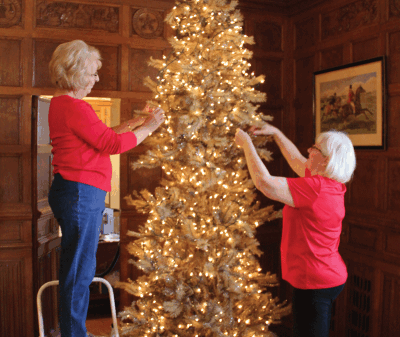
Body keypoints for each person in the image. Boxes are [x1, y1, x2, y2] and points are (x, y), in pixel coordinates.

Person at [47, 39, 165, 337]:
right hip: (79, 193)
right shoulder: (76, 107)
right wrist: (149, 129)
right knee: (79, 271)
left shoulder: (64, 105)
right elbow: (111, 144)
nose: (95, 79)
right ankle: (74, 334)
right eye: (92, 73)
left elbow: (101, 136)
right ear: (74, 72)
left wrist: (136, 122)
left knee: (79, 268)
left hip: (75, 192)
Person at [235, 124, 356, 337]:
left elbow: (265, 183)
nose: (309, 151)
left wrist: (246, 143)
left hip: (315, 281)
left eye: (315, 149)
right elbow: (295, 159)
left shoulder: (316, 188)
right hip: (326, 275)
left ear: (327, 160)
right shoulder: (329, 183)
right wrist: (276, 133)